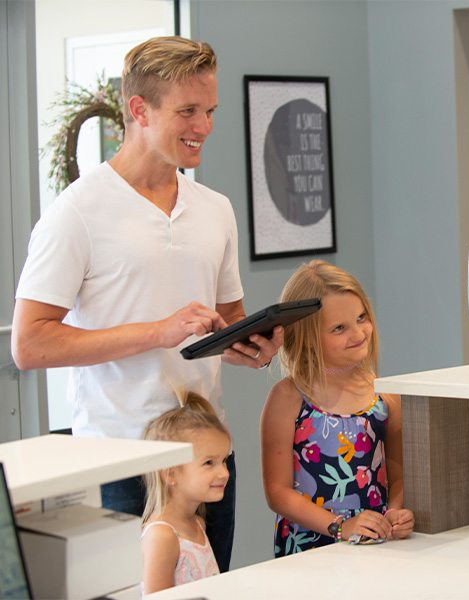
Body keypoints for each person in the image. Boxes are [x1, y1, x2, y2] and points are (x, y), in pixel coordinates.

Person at [10, 36, 282, 572]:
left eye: (209, 111)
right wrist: (158, 331)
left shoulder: (215, 209)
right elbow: (29, 343)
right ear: (139, 110)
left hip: (205, 455)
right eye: (187, 111)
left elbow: (224, 324)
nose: (203, 126)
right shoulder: (78, 212)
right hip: (120, 459)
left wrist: (247, 344)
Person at [260, 260, 414, 556]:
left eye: (361, 318)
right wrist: (340, 527)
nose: (358, 333)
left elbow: (398, 472)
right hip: (309, 549)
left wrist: (395, 512)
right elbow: (277, 492)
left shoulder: (385, 394)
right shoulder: (288, 397)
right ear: (306, 336)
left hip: (375, 543)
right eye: (339, 328)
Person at [140, 392, 231, 594]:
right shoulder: (162, 536)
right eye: (209, 463)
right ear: (171, 473)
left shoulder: (198, 523)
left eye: (224, 461)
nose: (224, 473)